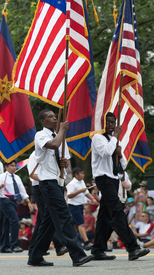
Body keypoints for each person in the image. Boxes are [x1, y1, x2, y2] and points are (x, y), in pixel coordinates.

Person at [28, 109, 93, 267]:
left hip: (58, 182)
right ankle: (77, 255)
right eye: (49, 117)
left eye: (55, 116)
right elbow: (53, 145)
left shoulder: (60, 137)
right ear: (42, 122)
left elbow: (64, 161)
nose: (54, 118)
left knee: (48, 222)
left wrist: (62, 164)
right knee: (64, 216)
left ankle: (35, 255)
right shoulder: (41, 135)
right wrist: (63, 130)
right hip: (48, 183)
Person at [91, 112, 150, 261]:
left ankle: (97, 249)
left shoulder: (114, 141)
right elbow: (105, 152)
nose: (111, 126)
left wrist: (120, 153)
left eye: (113, 123)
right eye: (108, 123)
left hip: (114, 179)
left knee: (104, 217)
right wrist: (116, 137)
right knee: (117, 211)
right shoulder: (98, 138)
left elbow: (122, 165)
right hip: (103, 178)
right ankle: (133, 247)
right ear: (102, 124)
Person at [27, 151, 67, 256]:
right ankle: (59, 245)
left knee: (42, 220)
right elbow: (32, 175)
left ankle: (33, 248)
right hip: (40, 187)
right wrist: (49, 179)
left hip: (50, 186)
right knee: (49, 216)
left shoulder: (51, 153)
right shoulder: (34, 155)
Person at [0, 160, 32, 253]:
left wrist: (28, 202)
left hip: (14, 202)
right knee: (14, 221)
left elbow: (22, 191)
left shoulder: (17, 177)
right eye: (11, 166)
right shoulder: (2, 177)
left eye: (15, 166)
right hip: (5, 201)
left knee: (6, 223)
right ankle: (14, 245)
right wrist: (0, 186)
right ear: (6, 167)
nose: (14, 167)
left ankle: (4, 246)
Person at [66, 167, 97, 250]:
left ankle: (75, 243)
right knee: (81, 224)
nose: (83, 175)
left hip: (80, 206)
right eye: (81, 173)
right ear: (76, 175)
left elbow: (86, 192)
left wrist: (93, 199)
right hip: (74, 206)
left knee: (75, 225)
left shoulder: (81, 182)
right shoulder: (72, 184)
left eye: (83, 173)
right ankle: (86, 242)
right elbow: (69, 195)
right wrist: (80, 191)